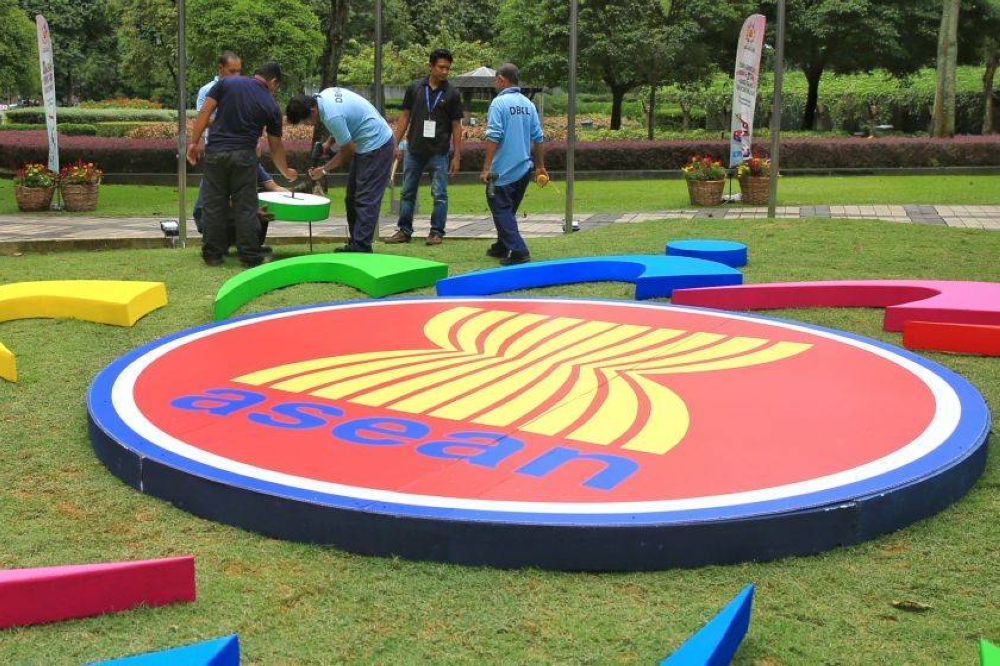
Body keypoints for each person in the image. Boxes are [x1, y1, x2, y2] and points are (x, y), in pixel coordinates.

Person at [186, 61, 297, 267]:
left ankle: (212, 254)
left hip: (216, 152)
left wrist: (193, 143)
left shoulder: (227, 83)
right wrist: (286, 170)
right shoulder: (270, 104)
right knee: (246, 206)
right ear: (273, 81)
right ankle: (249, 255)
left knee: (213, 204)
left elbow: (204, 113)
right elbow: (275, 147)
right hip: (245, 156)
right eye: (277, 86)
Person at [286, 89, 394, 253]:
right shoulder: (324, 97)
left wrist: (323, 170)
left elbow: (348, 150)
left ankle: (361, 248)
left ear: (312, 111)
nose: (307, 125)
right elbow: (345, 125)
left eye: (306, 121)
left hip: (377, 145)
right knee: (351, 198)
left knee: (366, 198)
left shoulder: (331, 115)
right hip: (365, 145)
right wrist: (328, 144)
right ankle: (357, 243)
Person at [384, 48, 464, 246]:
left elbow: (456, 126)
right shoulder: (415, 88)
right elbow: (405, 117)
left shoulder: (452, 93)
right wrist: (394, 143)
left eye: (448, 68)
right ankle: (404, 230)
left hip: (439, 152)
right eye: (441, 67)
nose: (445, 72)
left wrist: (457, 156)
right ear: (431, 66)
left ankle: (436, 232)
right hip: (415, 150)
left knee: (439, 194)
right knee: (407, 192)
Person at [480, 63, 546, 266]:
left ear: (501, 79)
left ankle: (519, 251)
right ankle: (502, 245)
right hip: (524, 169)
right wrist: (540, 166)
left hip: (502, 171)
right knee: (507, 211)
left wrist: (487, 167)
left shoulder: (498, 104)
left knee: (500, 208)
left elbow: (494, 136)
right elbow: (538, 137)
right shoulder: (528, 104)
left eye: (495, 81)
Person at [192, 51, 242, 233]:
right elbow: (203, 118)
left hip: (237, 147)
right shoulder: (207, 90)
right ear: (220, 69)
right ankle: (203, 220)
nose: (236, 75)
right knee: (212, 185)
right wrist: (196, 143)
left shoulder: (241, 89)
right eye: (232, 71)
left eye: (239, 71)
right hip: (216, 146)